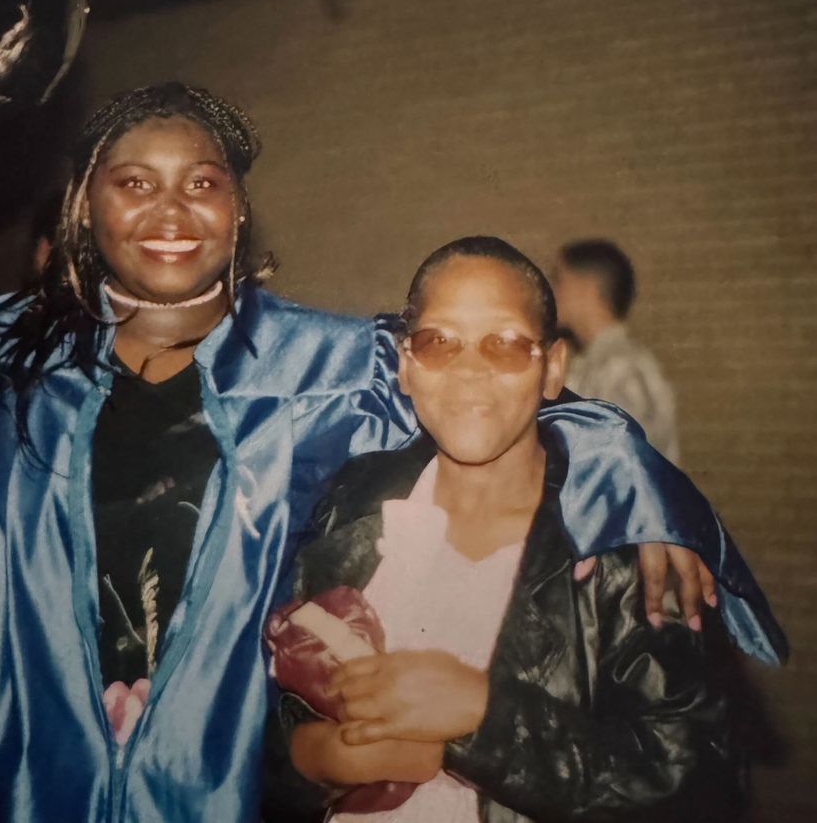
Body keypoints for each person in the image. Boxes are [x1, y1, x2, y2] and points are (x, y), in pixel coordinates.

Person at [0, 84, 757, 823]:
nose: (170, 210)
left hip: (214, 778)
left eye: (201, 182)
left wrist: (625, 467)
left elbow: (482, 391)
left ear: (238, 208)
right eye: (133, 182)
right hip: (0, 763)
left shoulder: (325, 364)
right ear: (87, 205)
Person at [271, 237, 776, 822]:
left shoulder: (622, 554)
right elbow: (246, 715)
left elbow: (700, 788)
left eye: (506, 344)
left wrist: (485, 716)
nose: (469, 371)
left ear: (553, 367)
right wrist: (309, 760)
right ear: (406, 367)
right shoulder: (347, 505)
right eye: (439, 342)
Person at [552, 238, 680, 462]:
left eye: (559, 281)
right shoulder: (596, 363)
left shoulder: (621, 367)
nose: (552, 292)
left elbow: (624, 464)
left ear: (585, 289)